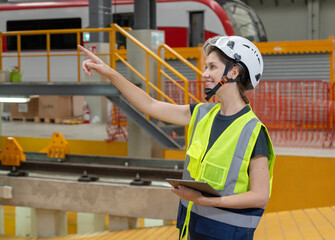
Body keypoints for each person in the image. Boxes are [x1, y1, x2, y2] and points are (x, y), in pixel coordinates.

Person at [79, 35, 275, 240]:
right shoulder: (201, 114)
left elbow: (259, 196)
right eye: (206, 67)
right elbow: (150, 105)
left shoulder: (253, 131)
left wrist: (206, 201)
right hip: (192, 231)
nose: (205, 73)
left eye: (212, 67)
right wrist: (110, 73)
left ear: (234, 71)